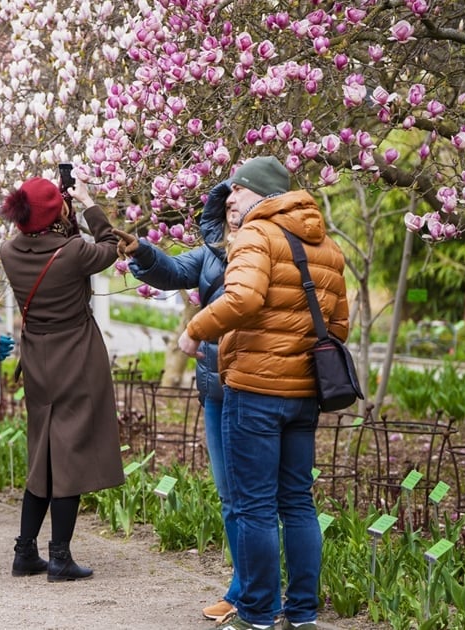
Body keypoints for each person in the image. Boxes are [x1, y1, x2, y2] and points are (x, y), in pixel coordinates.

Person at [179, 156, 348, 630]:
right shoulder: (328, 248)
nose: (229, 198)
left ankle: (254, 612)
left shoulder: (256, 233)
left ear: (259, 193)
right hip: (304, 393)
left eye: (237, 189)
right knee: (296, 501)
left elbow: (244, 299)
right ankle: (302, 613)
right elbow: (339, 328)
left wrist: (195, 330)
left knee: (253, 504)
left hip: (254, 389)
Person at [112, 180, 241, 622]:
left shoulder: (267, 252)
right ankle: (243, 589)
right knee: (229, 495)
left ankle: (267, 595)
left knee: (261, 498)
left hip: (257, 385)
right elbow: (171, 271)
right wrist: (141, 251)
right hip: (216, 388)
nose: (233, 214)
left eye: (241, 204)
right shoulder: (211, 254)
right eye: (226, 207)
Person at [0, 175, 125, 582]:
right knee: (67, 456)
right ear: (59, 212)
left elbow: (32, 236)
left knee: (42, 454)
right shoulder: (73, 252)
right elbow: (110, 245)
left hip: (37, 359)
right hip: (77, 357)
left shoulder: (6, 250)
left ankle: (24, 552)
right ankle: (59, 557)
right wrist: (87, 202)